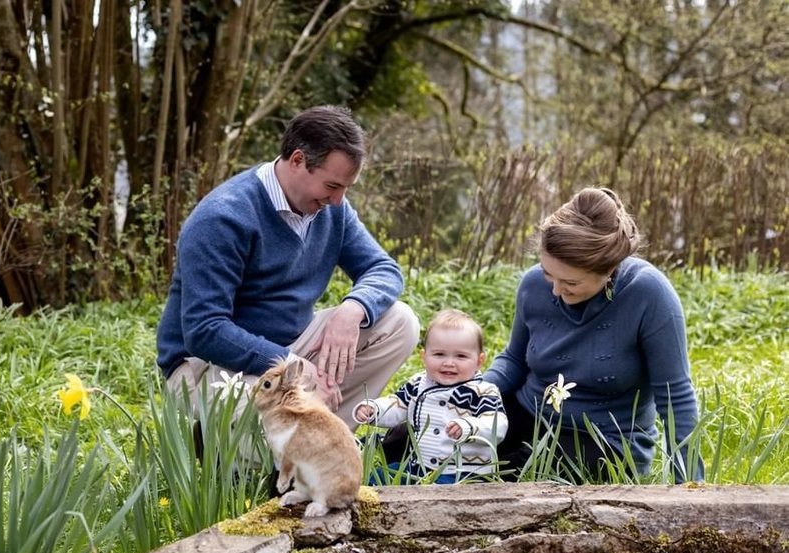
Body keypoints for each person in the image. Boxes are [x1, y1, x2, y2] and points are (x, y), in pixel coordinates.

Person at [156, 105, 420, 432]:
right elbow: (204, 330)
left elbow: (383, 268)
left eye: (346, 188)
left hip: (291, 347)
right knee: (272, 414)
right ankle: (239, 448)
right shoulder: (222, 218)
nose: (338, 200)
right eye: (333, 186)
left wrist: (353, 309)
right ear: (297, 161)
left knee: (399, 323)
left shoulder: (331, 211)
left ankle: (321, 444)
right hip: (206, 368)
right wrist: (293, 367)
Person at [484, 187, 705, 482]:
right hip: (530, 417)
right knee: (433, 442)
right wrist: (476, 392)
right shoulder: (533, 284)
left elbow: (675, 397)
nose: (556, 291)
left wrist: (689, 485)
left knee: (517, 473)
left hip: (604, 441)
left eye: (570, 282)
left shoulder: (649, 294)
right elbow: (514, 359)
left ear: (608, 269)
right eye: (549, 274)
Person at [354, 309, 508, 483]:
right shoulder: (418, 384)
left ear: (479, 361)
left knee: (440, 498)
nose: (449, 363)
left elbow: (497, 426)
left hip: (461, 474)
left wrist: (469, 427)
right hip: (417, 466)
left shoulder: (483, 392)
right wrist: (375, 410)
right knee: (377, 479)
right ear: (424, 356)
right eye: (439, 354)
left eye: (461, 356)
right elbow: (397, 404)